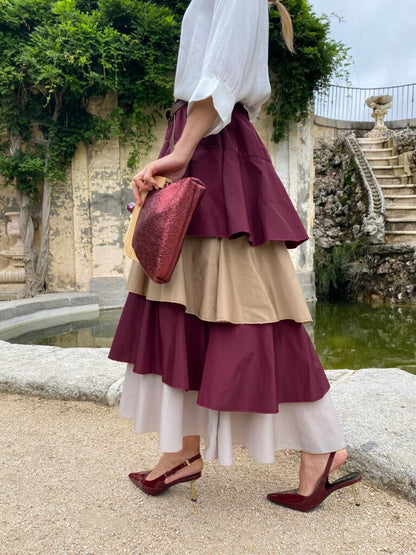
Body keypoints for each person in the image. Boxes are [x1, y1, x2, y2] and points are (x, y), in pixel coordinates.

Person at [109, 0, 361, 512]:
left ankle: (322, 446)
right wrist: (181, 143)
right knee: (178, 304)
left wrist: (182, 149)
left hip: (212, 150)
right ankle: (181, 451)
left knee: (254, 310)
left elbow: (220, 77)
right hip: (199, 144)